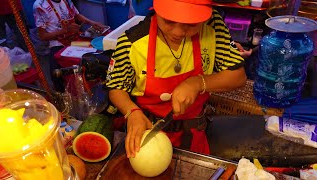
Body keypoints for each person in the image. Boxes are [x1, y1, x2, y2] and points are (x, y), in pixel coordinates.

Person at [106, 0, 247, 158]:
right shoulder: (132, 42)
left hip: (195, 133)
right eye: (169, 21)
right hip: (146, 134)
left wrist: (198, 83)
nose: (178, 32)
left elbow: (238, 76)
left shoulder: (212, 25)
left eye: (191, 24)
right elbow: (116, 87)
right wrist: (132, 112)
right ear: (156, 9)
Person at [33, 0, 105, 92]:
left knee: (96, 53)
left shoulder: (66, 1)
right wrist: (65, 30)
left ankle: (92, 87)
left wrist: (91, 23)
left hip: (75, 38)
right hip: (57, 43)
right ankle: (62, 94)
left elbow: (77, 15)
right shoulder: (40, 6)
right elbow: (43, 36)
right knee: (56, 73)